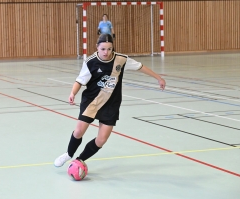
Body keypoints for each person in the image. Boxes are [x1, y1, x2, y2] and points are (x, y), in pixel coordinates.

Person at [54, 34, 166, 168]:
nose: (106, 52)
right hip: (92, 101)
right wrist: (73, 93)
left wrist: (158, 78)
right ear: (97, 47)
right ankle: (68, 154)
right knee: (78, 131)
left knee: (101, 140)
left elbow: (141, 67)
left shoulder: (121, 60)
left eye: (109, 49)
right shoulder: (91, 62)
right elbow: (80, 80)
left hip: (111, 105)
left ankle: (79, 160)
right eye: (103, 49)